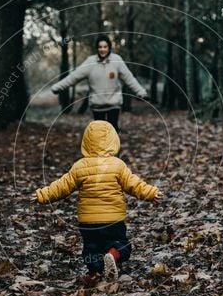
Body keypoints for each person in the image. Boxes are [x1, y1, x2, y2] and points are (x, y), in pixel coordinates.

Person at [33, 120, 163, 283]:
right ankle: (113, 256)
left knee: (92, 249)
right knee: (121, 244)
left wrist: (42, 195)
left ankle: (95, 273)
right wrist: (151, 193)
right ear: (113, 141)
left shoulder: (79, 166)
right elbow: (134, 184)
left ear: (86, 142)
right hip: (113, 220)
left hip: (88, 222)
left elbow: (62, 186)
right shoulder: (117, 165)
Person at [50, 35, 147, 133]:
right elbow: (74, 77)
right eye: (100, 47)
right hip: (97, 105)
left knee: (113, 132)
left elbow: (129, 78)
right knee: (100, 134)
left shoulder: (116, 60)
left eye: (105, 47)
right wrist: (57, 87)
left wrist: (141, 92)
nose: (102, 49)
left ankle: (112, 148)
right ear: (97, 48)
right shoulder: (90, 62)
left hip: (114, 104)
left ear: (109, 47)